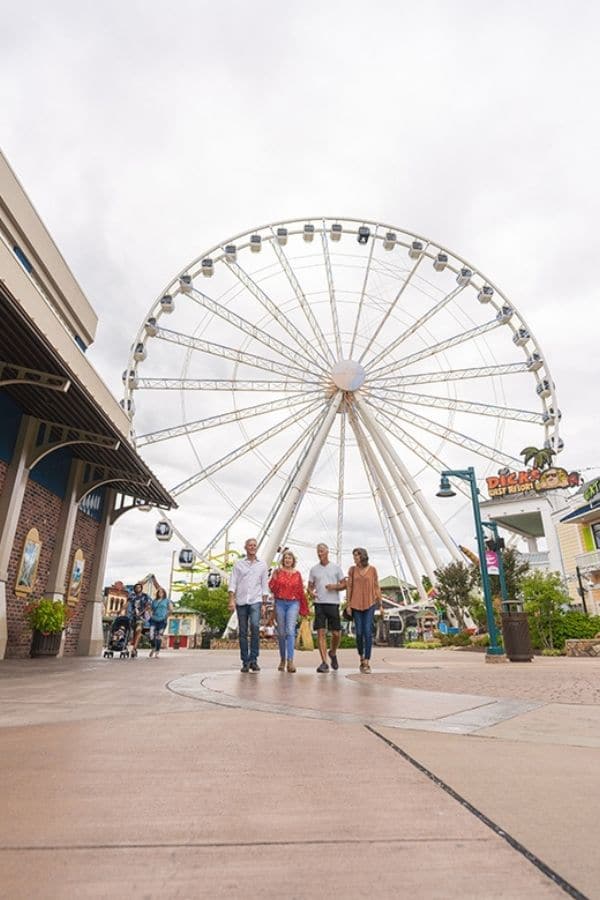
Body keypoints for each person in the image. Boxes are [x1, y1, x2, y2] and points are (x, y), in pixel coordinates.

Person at [228, 538, 269, 673]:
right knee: (243, 632)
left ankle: (254, 660)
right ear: (245, 548)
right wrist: (231, 600)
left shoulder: (262, 565)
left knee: (255, 627)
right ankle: (245, 661)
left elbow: (264, 585)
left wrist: (264, 603)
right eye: (250, 545)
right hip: (241, 601)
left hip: (256, 600)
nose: (252, 547)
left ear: (256, 548)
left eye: (254, 546)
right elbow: (233, 583)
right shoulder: (238, 564)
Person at [307, 543, 346, 673]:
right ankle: (324, 662)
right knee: (321, 632)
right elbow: (310, 586)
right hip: (319, 603)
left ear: (327, 551)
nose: (320, 553)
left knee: (336, 633)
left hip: (333, 603)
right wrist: (311, 592)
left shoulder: (336, 568)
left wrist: (334, 587)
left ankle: (333, 652)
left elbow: (344, 584)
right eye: (318, 551)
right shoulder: (314, 570)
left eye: (322, 551)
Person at [269, 549, 308, 673]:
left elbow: (301, 591)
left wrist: (304, 608)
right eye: (286, 558)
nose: (287, 560)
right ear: (283, 560)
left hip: (293, 603)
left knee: (290, 630)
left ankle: (290, 661)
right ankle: (282, 659)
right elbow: (272, 588)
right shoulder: (278, 572)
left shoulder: (297, 574)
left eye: (290, 558)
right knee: (281, 632)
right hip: (280, 602)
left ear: (293, 561)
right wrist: (274, 578)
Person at [346, 547, 383, 673]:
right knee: (359, 633)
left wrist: (381, 604)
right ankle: (361, 656)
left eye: (357, 555)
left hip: (370, 604)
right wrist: (348, 605)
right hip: (356, 604)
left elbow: (376, 586)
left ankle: (367, 661)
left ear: (362, 556)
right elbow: (349, 587)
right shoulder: (352, 570)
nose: (355, 558)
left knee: (367, 632)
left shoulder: (372, 570)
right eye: (354, 555)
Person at [126, 581, 151, 658]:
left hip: (141, 617)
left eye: (139, 587)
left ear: (141, 588)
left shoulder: (145, 596)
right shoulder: (132, 596)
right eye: (136, 587)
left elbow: (148, 606)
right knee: (134, 633)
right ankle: (135, 648)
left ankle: (134, 649)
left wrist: (141, 612)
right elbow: (127, 604)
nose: (137, 588)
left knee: (138, 630)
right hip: (132, 616)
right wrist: (120, 610)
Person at [149, 587, 173, 658]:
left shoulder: (167, 601)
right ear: (157, 593)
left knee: (159, 636)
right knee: (151, 635)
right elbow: (151, 609)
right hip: (154, 620)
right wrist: (151, 615)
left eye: (162, 592)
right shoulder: (154, 601)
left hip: (162, 620)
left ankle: (157, 652)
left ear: (164, 593)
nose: (160, 593)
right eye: (159, 592)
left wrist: (167, 615)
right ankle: (153, 647)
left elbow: (171, 609)